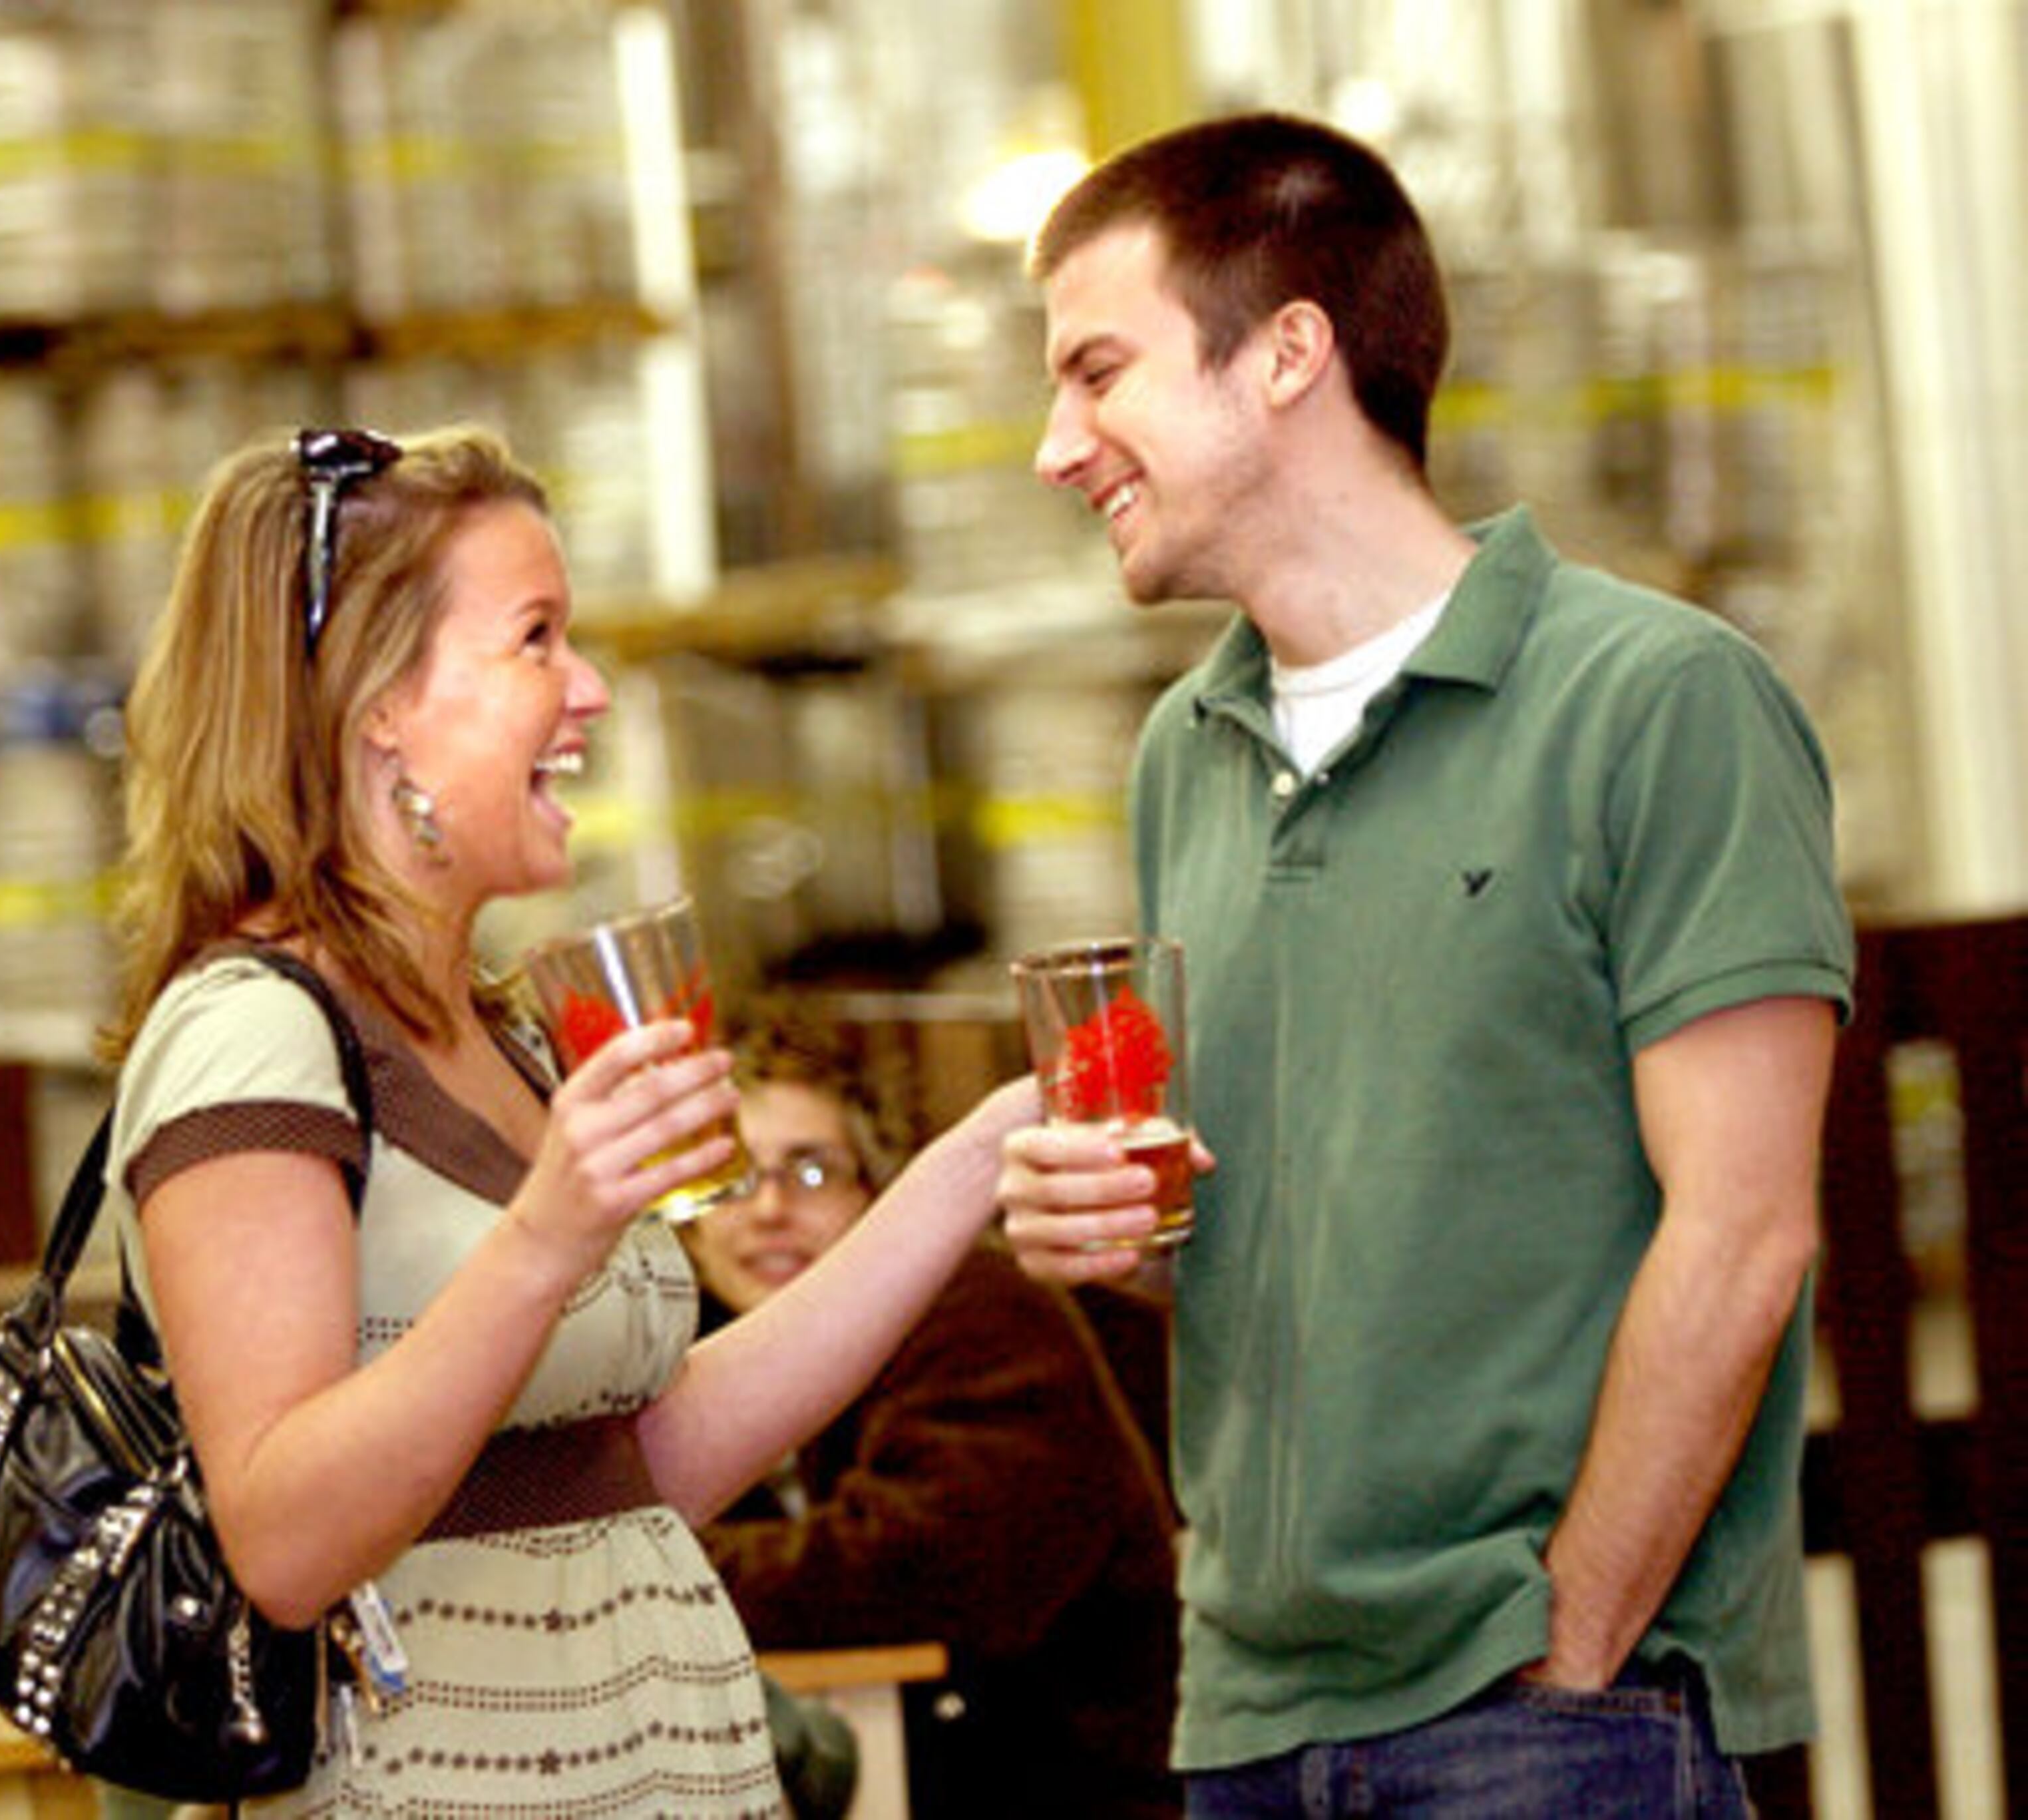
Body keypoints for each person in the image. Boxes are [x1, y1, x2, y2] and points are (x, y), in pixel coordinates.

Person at [1002, 113, 1854, 1817]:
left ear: (1286, 354)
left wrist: (1573, 1648)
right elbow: (1276, 1225)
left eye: (1098, 373)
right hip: (1245, 1715)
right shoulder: (1183, 751)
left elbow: (1745, 1231)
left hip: (1546, 1713)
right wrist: (1106, 1230)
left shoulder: (1656, 701)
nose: (1053, 448)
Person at [100, 423, 1034, 1816]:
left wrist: (979, 1157)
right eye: (536, 638)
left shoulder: (511, 1041)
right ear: (378, 702)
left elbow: (642, 1465)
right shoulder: (252, 1035)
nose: (590, 687)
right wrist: (549, 1233)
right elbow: (284, 1543)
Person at [686, 1014, 1184, 1819]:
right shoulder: (709, 1347)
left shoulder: (974, 1306)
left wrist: (658, 1570)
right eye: (735, 1177)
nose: (769, 1209)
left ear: (880, 1193)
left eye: (811, 1172)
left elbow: (921, 1564)